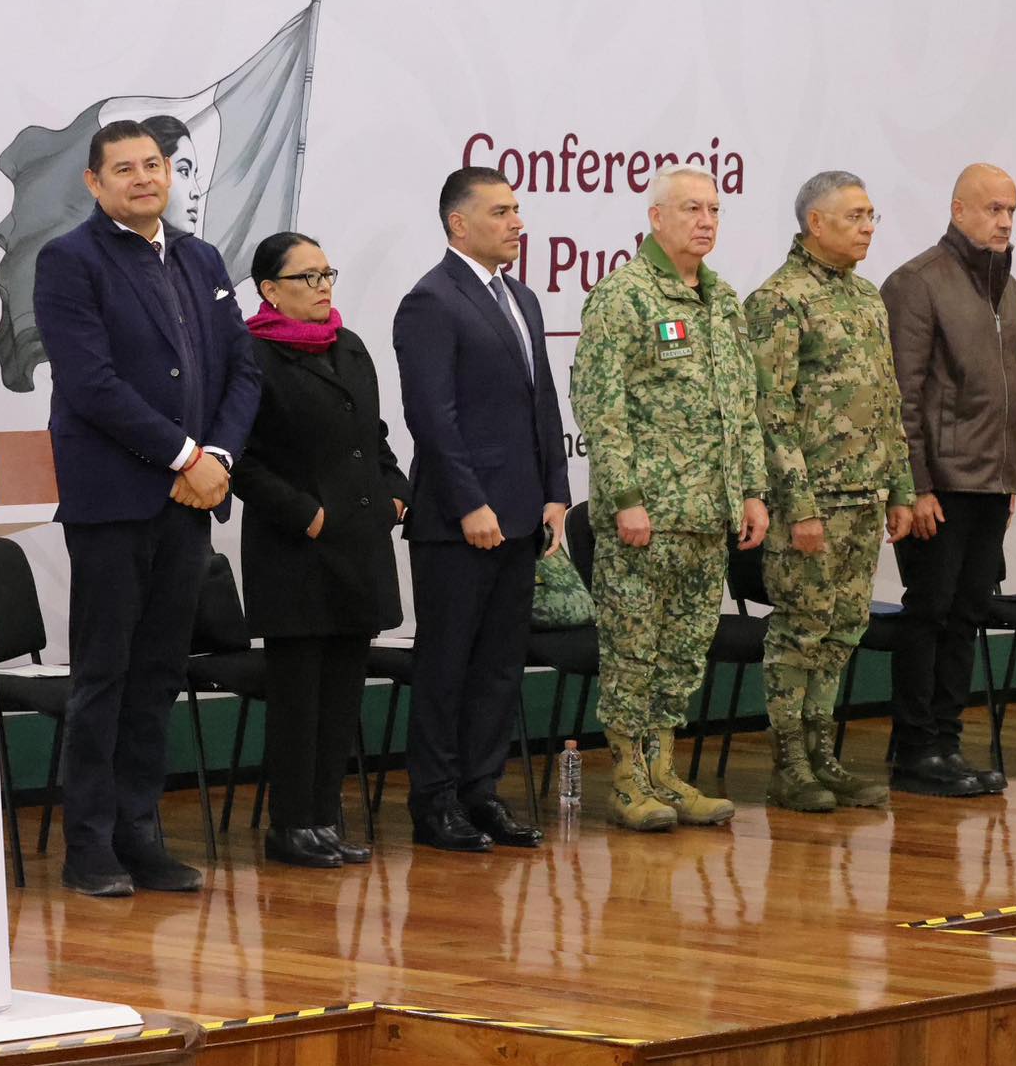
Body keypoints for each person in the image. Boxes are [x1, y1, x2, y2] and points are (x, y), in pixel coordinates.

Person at [34, 120, 260, 896]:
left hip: (189, 501)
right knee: (107, 675)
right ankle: (90, 845)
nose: (142, 178)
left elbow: (243, 371)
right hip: (113, 502)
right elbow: (92, 385)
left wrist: (219, 459)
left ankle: (143, 836)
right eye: (123, 168)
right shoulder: (70, 262)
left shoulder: (202, 258)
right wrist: (184, 457)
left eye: (154, 165)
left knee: (160, 674)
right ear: (94, 184)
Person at [571, 164, 768, 832]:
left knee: (683, 655)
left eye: (713, 208)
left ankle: (664, 774)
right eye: (691, 208)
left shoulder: (723, 301)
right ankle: (627, 780)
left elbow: (741, 410)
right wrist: (625, 497)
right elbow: (602, 406)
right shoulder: (623, 297)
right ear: (657, 218)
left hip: (707, 519)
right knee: (633, 653)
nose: (706, 220)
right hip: (646, 519)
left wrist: (752, 493)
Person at [393, 167, 569, 852]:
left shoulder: (521, 298)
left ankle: (480, 792)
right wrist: (472, 502)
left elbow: (542, 401)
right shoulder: (431, 301)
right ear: (459, 224)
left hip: (523, 515)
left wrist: (556, 491)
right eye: (501, 212)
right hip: (457, 522)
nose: (517, 223)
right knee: (448, 665)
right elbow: (431, 417)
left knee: (499, 666)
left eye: (518, 209)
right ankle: (434, 802)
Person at [233, 232, 408, 867]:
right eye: (306, 277)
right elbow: (240, 458)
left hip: (358, 544)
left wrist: (396, 488)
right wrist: (303, 513)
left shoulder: (350, 346)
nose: (323, 285)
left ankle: (325, 819)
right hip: (296, 549)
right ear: (270, 290)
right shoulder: (251, 355)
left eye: (326, 272)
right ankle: (290, 825)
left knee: (341, 694)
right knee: (298, 696)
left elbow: (374, 434)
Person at [745, 170, 912, 813]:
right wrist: (799, 506)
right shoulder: (780, 300)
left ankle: (825, 757)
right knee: (799, 633)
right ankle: (790, 763)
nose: (869, 226)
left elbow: (889, 402)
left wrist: (900, 487)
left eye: (872, 215)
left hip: (865, 498)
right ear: (816, 223)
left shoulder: (868, 298)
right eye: (855, 216)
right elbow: (771, 411)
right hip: (810, 504)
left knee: (843, 630)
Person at [879, 163, 1016, 797]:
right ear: (958, 210)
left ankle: (947, 743)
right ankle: (914, 750)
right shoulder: (917, 282)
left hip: (990, 484)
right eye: (991, 209)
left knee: (968, 614)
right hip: (938, 486)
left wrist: (1008, 480)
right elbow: (902, 398)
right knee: (930, 614)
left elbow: (1010, 394)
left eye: (1011, 210)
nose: (1003, 221)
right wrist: (915, 487)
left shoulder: (1008, 286)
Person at [142, 114, 207, 237]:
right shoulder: (99, 253)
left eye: (194, 175)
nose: (196, 193)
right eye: (184, 171)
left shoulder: (205, 255)